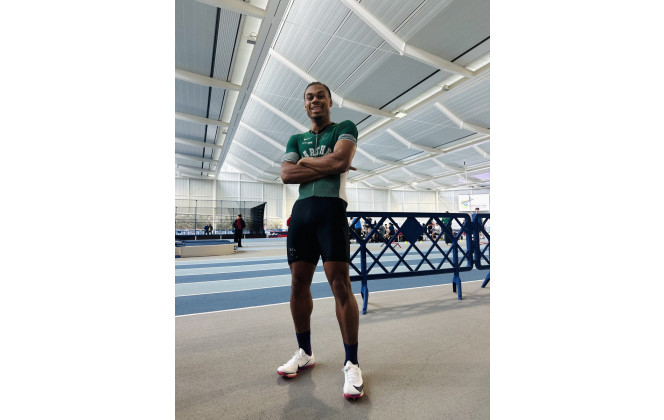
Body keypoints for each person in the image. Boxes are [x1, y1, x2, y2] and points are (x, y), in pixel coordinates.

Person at [278, 81, 364, 399]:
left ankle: (352, 363)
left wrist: (304, 162)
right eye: (309, 97)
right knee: (298, 284)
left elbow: (339, 162)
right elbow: (286, 175)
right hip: (301, 214)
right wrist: (325, 165)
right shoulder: (295, 139)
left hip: (331, 211)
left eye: (320, 96)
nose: (315, 100)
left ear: (330, 102)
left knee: (340, 285)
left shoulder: (345, 127)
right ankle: (305, 353)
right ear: (305, 105)